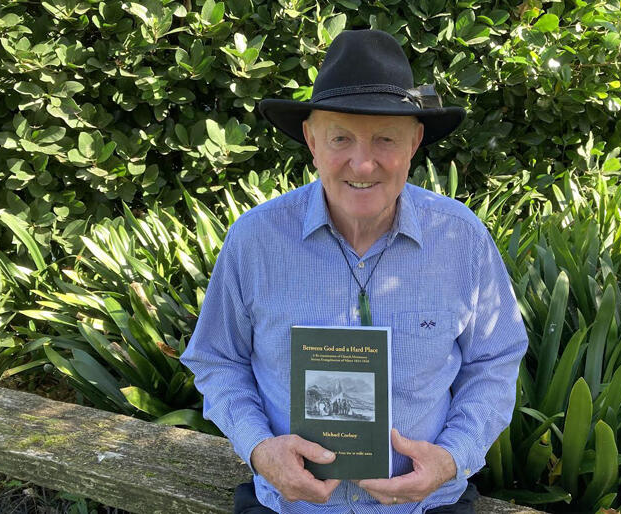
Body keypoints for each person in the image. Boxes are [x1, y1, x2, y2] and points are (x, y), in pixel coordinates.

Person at [180, 29, 528, 513]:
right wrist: (260, 449)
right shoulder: (256, 241)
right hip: (291, 505)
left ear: (415, 141)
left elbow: (495, 361)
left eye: (385, 138)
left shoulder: (461, 240)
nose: (362, 164)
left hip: (426, 506)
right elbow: (218, 359)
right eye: (341, 137)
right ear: (311, 140)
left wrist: (452, 458)